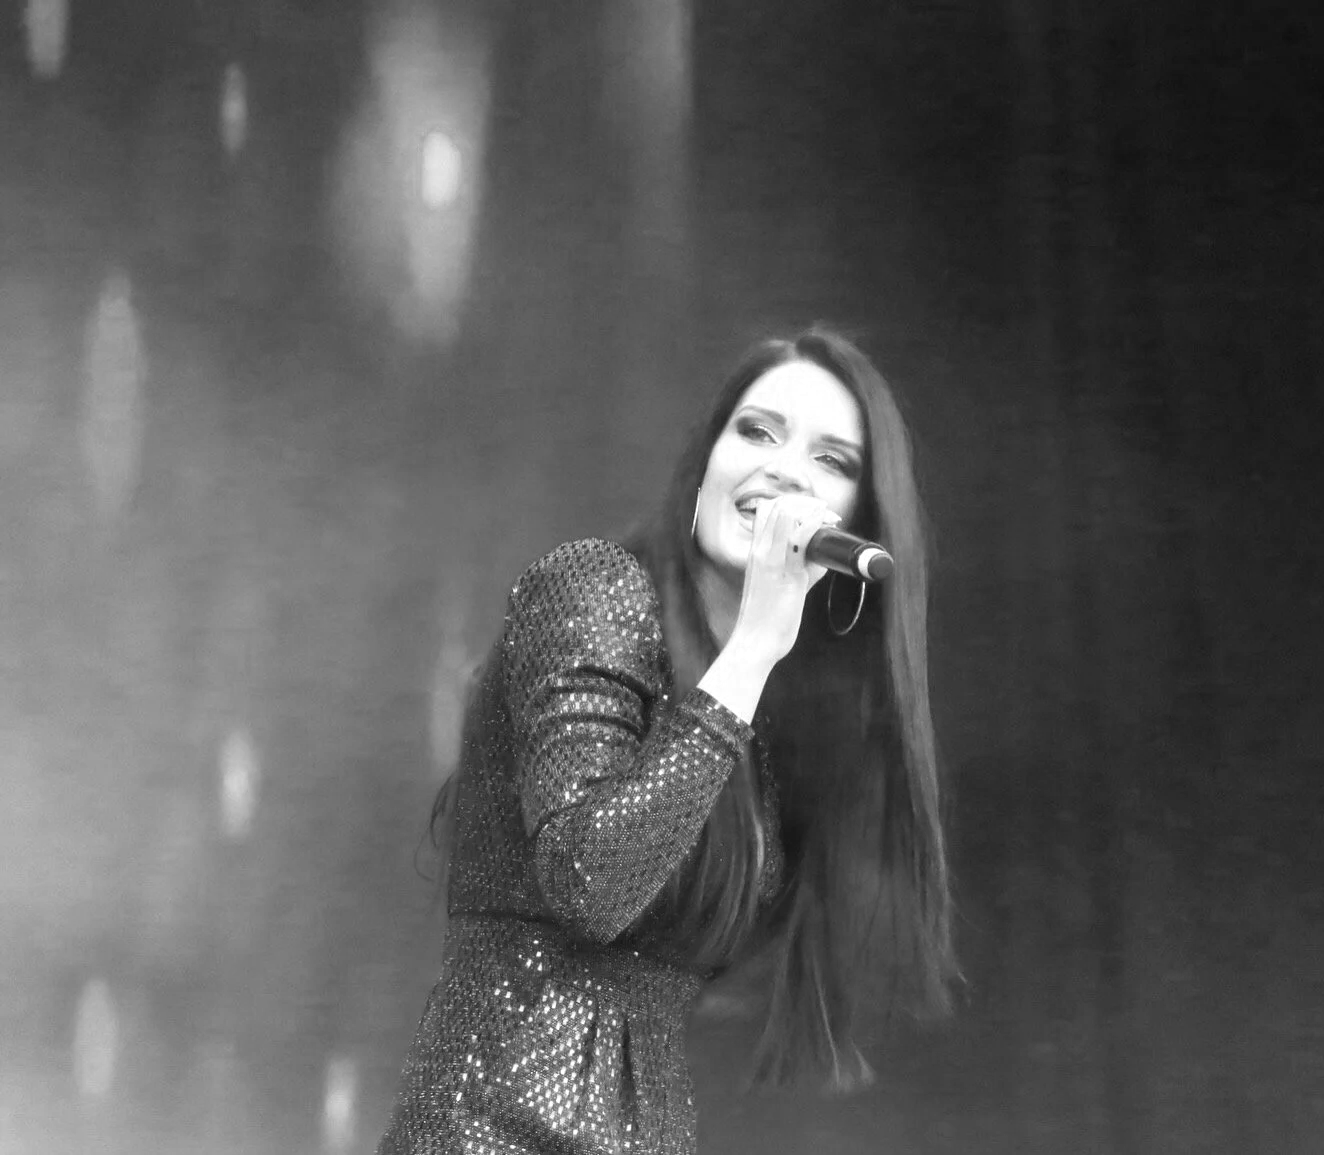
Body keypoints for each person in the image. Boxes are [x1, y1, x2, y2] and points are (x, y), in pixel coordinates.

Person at [377, 325, 957, 1154]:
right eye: (756, 431)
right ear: (706, 461)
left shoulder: (755, 716)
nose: (786, 470)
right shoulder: (595, 590)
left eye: (830, 460)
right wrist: (754, 645)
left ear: (857, 519)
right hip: (487, 1130)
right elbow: (590, 880)